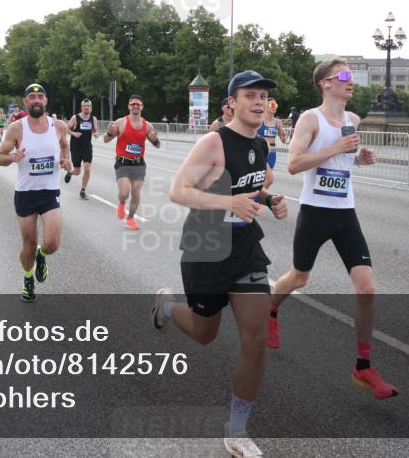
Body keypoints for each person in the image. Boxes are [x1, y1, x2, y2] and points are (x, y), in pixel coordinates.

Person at [152, 69, 288, 457]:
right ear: (231, 103)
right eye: (250, 95)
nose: (259, 102)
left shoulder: (260, 145)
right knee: (204, 332)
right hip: (206, 249)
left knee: (257, 337)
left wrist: (267, 200)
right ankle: (165, 305)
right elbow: (180, 191)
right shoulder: (214, 142)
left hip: (245, 250)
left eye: (263, 96)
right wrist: (229, 203)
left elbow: (255, 184)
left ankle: (237, 428)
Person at [268, 57, 398, 400]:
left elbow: (345, 157)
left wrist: (359, 156)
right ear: (325, 83)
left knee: (367, 288)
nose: (350, 81)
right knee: (298, 278)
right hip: (315, 211)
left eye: (351, 76)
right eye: (343, 75)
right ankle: (270, 310)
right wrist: (335, 149)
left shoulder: (353, 120)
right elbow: (294, 164)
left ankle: (363, 366)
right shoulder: (311, 119)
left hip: (345, 213)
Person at [0, 83, 72, 302]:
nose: (36, 100)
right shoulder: (16, 129)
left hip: (49, 192)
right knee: (28, 244)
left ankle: (42, 254)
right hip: (26, 193)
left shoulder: (58, 126)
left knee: (52, 244)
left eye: (40, 97)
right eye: (32, 97)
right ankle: (28, 278)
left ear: (46, 101)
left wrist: (66, 161)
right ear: (26, 102)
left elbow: (64, 147)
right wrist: (11, 157)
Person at [104, 95, 161, 230]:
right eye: (133, 104)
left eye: (138, 104)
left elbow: (157, 145)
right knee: (124, 193)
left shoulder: (147, 125)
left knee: (136, 192)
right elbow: (106, 139)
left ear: (142, 107)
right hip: (123, 162)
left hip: (139, 163)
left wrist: (155, 139)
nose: (135, 106)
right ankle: (122, 202)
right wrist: (109, 132)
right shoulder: (120, 122)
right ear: (129, 106)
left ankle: (130, 219)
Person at [64, 99, 99, 200]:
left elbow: (95, 130)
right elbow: (67, 129)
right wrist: (74, 133)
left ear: (91, 108)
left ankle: (83, 190)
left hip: (87, 147)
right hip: (76, 147)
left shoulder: (93, 119)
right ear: (81, 107)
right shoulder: (76, 118)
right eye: (84, 106)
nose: (86, 107)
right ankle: (70, 173)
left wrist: (96, 134)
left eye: (88, 106)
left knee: (87, 169)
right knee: (77, 171)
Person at [258, 98, 288, 189]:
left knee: (268, 178)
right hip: (260, 151)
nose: (274, 107)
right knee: (259, 176)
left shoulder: (278, 122)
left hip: (272, 153)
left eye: (276, 105)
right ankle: (255, 194)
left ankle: (261, 195)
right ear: (266, 106)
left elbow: (284, 141)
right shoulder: (259, 119)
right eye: (272, 105)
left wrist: (284, 136)